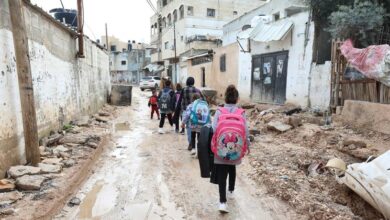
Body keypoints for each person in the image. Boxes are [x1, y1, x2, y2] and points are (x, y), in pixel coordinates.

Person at [211, 85, 250, 213]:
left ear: (225, 99)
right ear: (237, 99)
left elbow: (214, 129)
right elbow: (245, 131)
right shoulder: (241, 113)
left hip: (221, 148)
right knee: (232, 167)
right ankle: (231, 191)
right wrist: (247, 145)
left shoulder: (219, 111)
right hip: (236, 150)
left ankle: (222, 203)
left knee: (222, 173)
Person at [173, 77, 203, 150]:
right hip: (197, 112)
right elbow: (203, 101)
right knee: (198, 128)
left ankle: (191, 144)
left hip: (186, 111)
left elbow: (179, 101)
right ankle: (199, 145)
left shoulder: (183, 90)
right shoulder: (198, 90)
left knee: (189, 129)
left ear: (187, 82)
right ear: (193, 82)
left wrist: (176, 112)